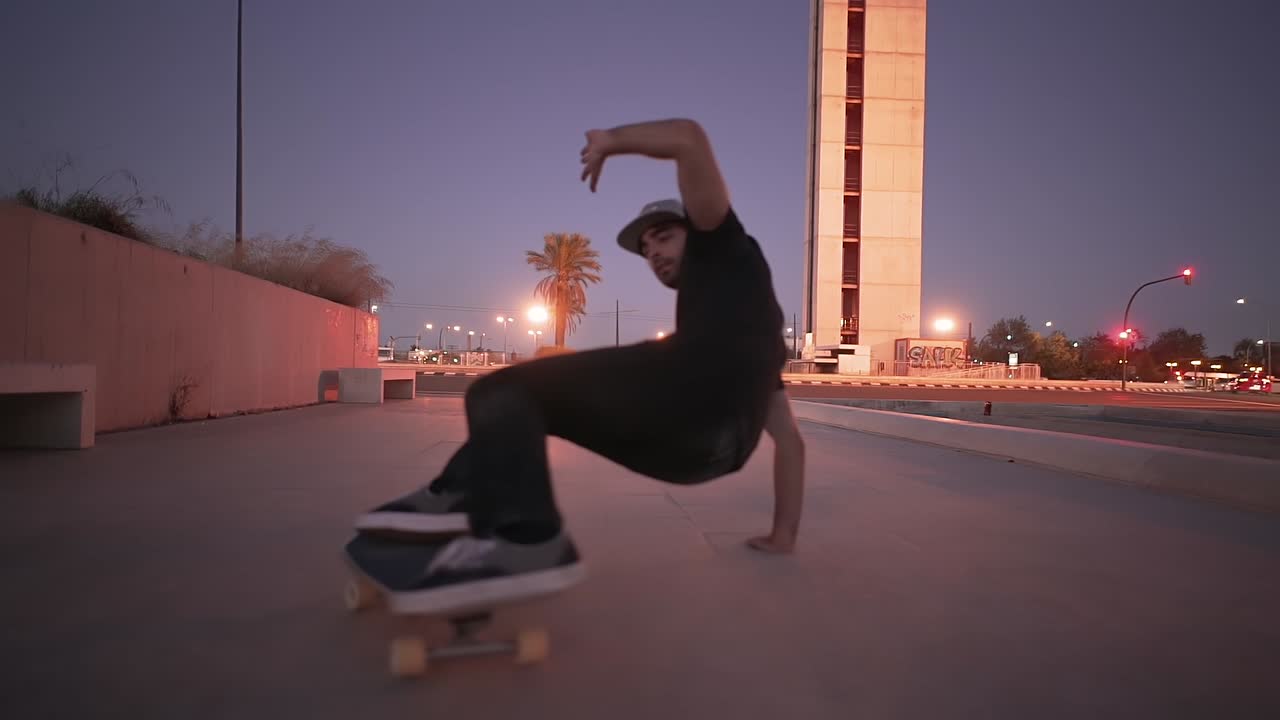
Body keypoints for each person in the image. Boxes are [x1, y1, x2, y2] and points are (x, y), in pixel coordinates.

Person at [354, 118, 806, 614]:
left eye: (663, 238)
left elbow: (689, 139)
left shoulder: (723, 245)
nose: (653, 254)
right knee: (520, 404)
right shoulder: (749, 326)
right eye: (647, 250)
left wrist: (611, 141)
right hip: (697, 454)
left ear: (697, 226)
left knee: (498, 391)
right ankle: (465, 497)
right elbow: (788, 439)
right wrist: (784, 534)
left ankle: (519, 534)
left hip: (690, 418)